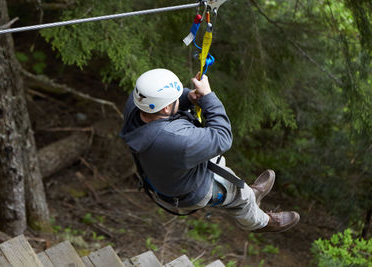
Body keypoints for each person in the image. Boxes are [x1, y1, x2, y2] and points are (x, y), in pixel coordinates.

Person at [119, 68, 300, 232]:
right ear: (166, 107)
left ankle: (253, 193)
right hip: (193, 190)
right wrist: (207, 96)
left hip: (170, 171)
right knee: (240, 196)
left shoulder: (137, 102)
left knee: (226, 171)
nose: (179, 97)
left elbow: (168, 104)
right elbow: (222, 138)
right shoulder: (177, 140)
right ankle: (262, 222)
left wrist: (188, 97)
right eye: (175, 98)